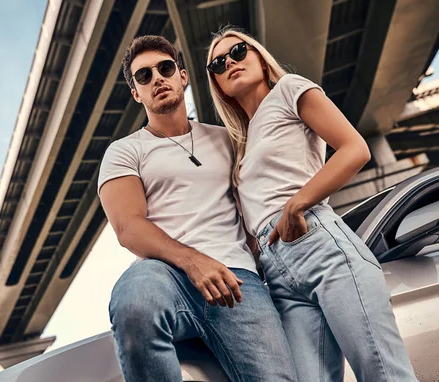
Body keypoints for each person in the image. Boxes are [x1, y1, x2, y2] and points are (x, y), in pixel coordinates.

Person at [206, 27, 418, 382]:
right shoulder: (241, 144)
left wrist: (296, 204)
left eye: (239, 51)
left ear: (259, 56)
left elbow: (355, 149)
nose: (230, 62)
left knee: (383, 373)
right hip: (278, 275)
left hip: (319, 245)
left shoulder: (288, 89)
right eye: (218, 63)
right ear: (216, 82)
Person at [97, 35, 297, 382]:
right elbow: (128, 227)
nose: (157, 78)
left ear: (183, 76)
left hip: (236, 278)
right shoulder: (124, 150)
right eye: (144, 76)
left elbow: (254, 205)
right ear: (136, 94)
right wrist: (193, 261)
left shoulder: (227, 138)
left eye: (165, 68)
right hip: (163, 274)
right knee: (134, 305)